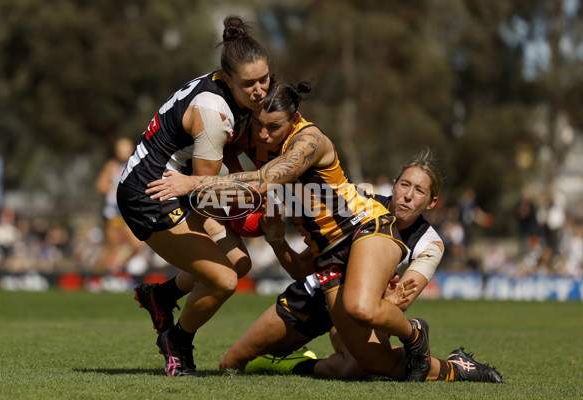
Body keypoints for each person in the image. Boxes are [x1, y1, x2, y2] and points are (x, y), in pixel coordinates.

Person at [144, 79, 433, 381]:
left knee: (360, 308)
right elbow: (222, 159)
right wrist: (275, 241)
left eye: (274, 126)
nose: (264, 134)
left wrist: (192, 184)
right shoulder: (250, 134)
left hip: (364, 227)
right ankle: (456, 368)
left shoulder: (309, 141)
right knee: (374, 363)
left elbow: (262, 181)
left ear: (293, 119)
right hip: (327, 256)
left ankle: (415, 334)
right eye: (258, 124)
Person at [219, 158, 502, 383]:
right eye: (405, 185)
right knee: (231, 363)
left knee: (360, 367)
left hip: (361, 312)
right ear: (393, 184)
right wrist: (277, 242)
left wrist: (378, 299)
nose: (407, 196)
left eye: (419, 191)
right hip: (312, 297)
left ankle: (455, 368)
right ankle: (454, 365)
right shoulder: (359, 204)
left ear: (432, 203)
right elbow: (304, 268)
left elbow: (395, 305)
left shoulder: (430, 244)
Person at [117, 16, 270, 377]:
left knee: (240, 265)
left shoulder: (225, 88)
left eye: (264, 78)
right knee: (225, 280)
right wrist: (254, 197)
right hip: (150, 195)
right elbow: (206, 188)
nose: (260, 90)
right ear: (228, 79)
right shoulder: (213, 112)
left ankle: (162, 296)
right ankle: (177, 341)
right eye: (249, 84)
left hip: (180, 186)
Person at [95, 137, 147, 275]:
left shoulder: (137, 165)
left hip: (129, 211)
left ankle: (118, 267)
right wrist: (118, 191)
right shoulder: (112, 166)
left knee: (137, 245)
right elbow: (101, 186)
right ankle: (95, 277)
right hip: (113, 213)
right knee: (112, 248)